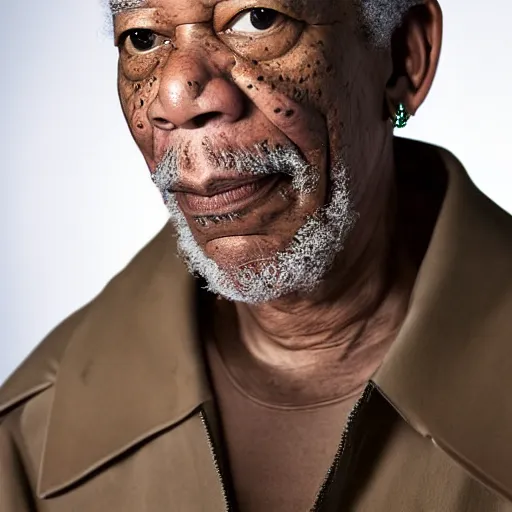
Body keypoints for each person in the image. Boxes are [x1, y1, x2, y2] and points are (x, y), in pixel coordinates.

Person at [2, 0, 512, 510]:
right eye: (141, 38)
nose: (176, 97)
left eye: (258, 19)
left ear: (403, 56)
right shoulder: (26, 441)